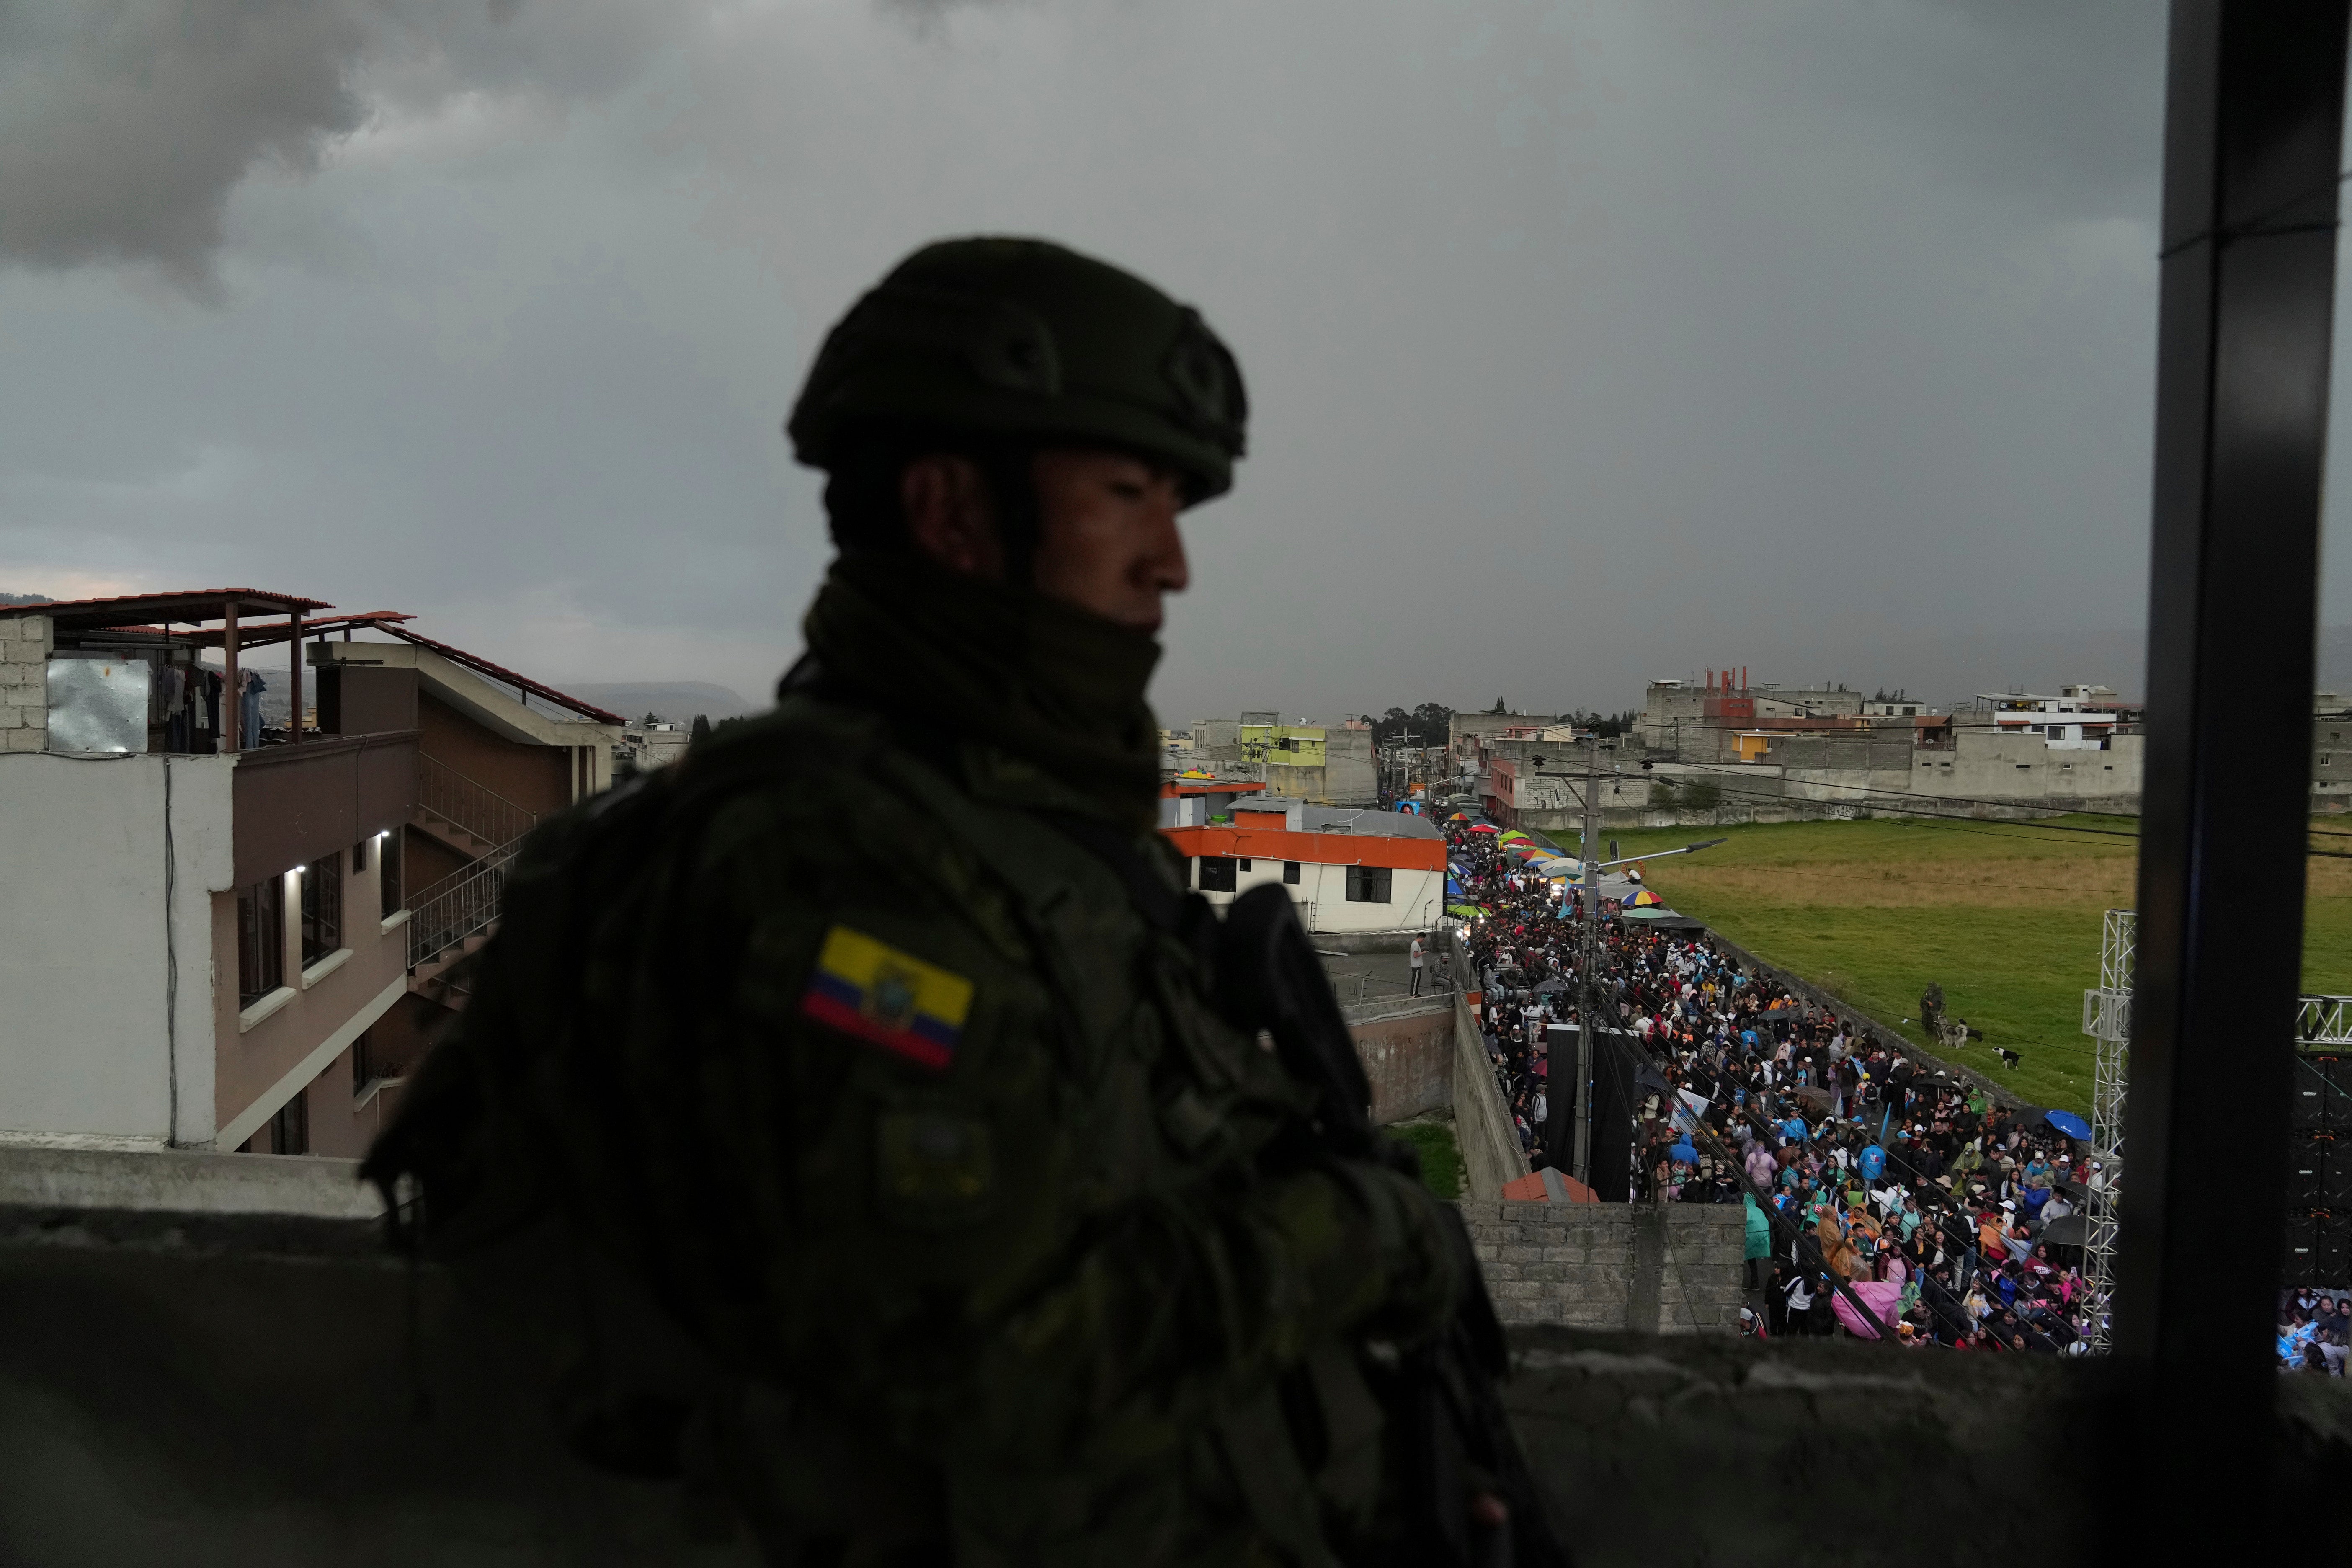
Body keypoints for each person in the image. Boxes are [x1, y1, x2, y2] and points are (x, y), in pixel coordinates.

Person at [364, 238, 1480, 1565]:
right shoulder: (838, 869)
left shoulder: (1009, 827)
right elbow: (994, 1367)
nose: (1171, 562)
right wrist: (1367, 1233)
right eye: (1129, 494)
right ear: (953, 511)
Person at [1408, 930, 1427, 995]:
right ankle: (1413, 994)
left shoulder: (1414, 943)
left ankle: (1415, 993)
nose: (1423, 941)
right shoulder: (1416, 945)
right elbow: (1415, 955)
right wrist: (1422, 953)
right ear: (1421, 938)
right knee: (1415, 981)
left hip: (1416, 965)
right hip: (1417, 966)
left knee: (1417, 980)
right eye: (1423, 939)